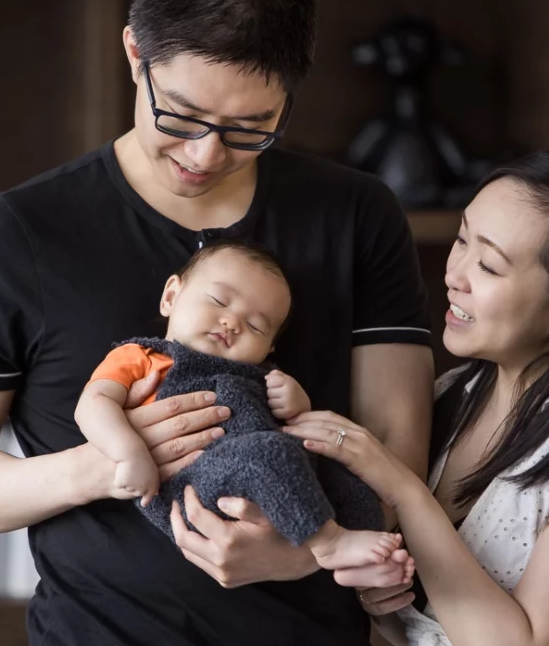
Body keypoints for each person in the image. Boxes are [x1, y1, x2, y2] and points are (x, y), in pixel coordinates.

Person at [0, 0, 434, 645]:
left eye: (249, 127)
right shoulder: (19, 234)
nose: (204, 154)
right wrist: (105, 465)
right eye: (180, 116)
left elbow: (398, 448)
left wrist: (303, 550)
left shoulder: (356, 215)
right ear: (135, 54)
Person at [284, 150, 549, 646]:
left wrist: (401, 486)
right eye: (461, 239)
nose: (455, 274)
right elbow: (430, 625)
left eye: (488, 265)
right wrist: (385, 604)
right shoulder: (454, 395)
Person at [77, 241, 414, 574]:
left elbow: (291, 424)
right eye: (219, 301)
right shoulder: (143, 357)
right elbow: (93, 405)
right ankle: (329, 542)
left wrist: (296, 402)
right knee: (268, 454)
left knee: (342, 479)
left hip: (270, 475)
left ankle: (372, 563)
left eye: (255, 326)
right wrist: (130, 453)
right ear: (170, 297)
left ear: (268, 349)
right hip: (192, 484)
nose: (231, 323)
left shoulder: (259, 376)